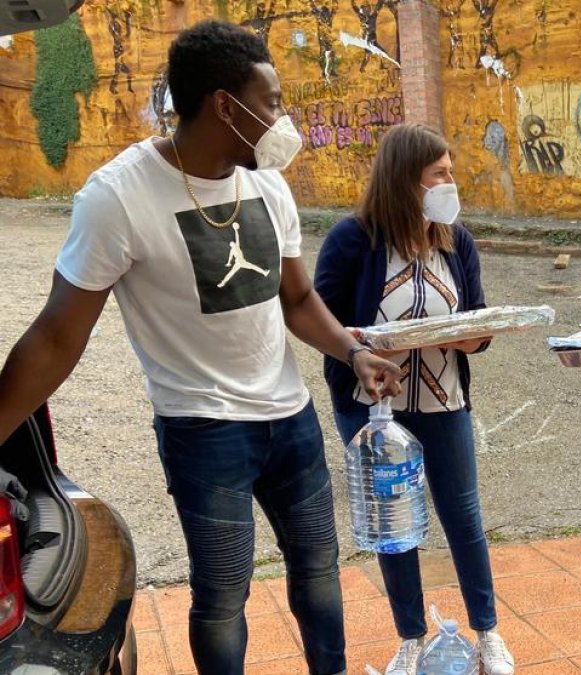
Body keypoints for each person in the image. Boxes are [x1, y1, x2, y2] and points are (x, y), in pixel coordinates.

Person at [0, 21, 404, 675]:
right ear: (225, 104)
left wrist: (350, 351)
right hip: (203, 432)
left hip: (290, 423)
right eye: (270, 101)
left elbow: (297, 300)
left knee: (320, 575)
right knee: (222, 599)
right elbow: (54, 336)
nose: (282, 118)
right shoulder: (118, 197)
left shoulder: (267, 184)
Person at [313, 124, 514, 675]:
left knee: (462, 514)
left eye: (450, 172)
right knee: (392, 523)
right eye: (440, 174)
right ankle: (409, 636)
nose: (451, 183)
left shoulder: (458, 240)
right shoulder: (353, 240)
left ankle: (488, 632)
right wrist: (369, 346)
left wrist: (451, 334)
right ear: (407, 181)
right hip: (373, 407)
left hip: (444, 402)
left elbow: (478, 329)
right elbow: (322, 323)